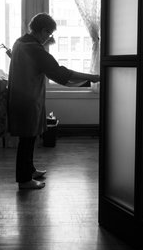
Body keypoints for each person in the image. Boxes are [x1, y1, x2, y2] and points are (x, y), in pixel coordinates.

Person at [7, 13, 100, 190]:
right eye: (49, 34)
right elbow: (60, 73)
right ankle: (24, 180)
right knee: (27, 140)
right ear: (43, 31)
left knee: (29, 138)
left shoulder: (20, 43)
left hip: (21, 97)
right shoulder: (34, 49)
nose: (49, 39)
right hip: (28, 100)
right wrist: (93, 77)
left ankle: (30, 170)